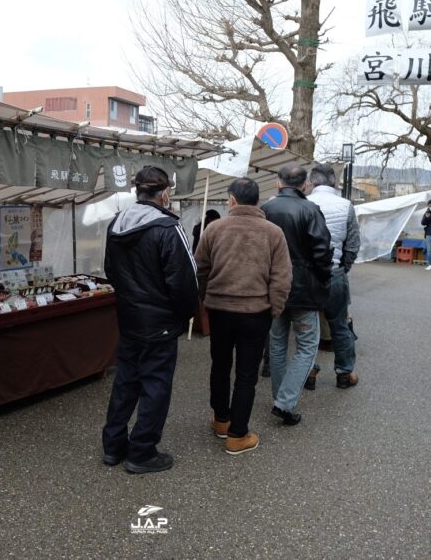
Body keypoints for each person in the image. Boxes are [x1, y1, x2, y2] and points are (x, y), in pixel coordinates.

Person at [102, 166, 199, 474]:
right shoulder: (168, 228)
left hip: (130, 318)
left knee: (126, 381)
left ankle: (113, 445)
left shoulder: (117, 224)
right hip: (160, 321)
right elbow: (184, 281)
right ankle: (142, 452)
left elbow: (111, 271)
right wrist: (185, 316)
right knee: (155, 385)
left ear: (137, 192)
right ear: (165, 193)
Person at [195, 177, 291, 455]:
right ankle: (238, 435)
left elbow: (200, 268)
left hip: (220, 310)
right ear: (259, 201)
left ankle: (221, 420)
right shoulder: (273, 233)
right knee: (247, 374)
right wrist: (275, 308)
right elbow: (282, 278)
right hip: (256, 313)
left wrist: (205, 298)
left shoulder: (214, 229)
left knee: (220, 365)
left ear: (232, 200)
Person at [262, 164, 333, 425]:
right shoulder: (310, 210)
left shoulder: (266, 210)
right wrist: (324, 280)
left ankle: (281, 398)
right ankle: (285, 402)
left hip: (272, 287)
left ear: (278, 182)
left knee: (277, 343)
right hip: (304, 288)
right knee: (306, 346)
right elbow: (322, 252)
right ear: (305, 185)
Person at [306, 164, 361, 389]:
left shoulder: (304, 203)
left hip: (307, 276)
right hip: (335, 273)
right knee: (339, 326)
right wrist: (342, 267)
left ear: (312, 181)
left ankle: (309, 372)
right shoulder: (346, 205)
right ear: (334, 183)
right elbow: (353, 244)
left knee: (308, 327)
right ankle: (344, 374)